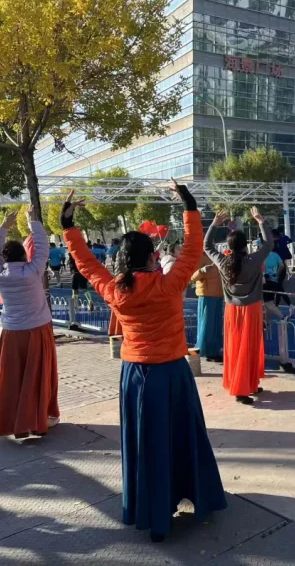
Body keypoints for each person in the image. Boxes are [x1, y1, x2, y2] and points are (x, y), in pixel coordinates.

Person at [62, 183, 227, 542]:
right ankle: (194, 495)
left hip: (136, 376)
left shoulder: (115, 290)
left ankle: (153, 513)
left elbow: (86, 264)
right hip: (173, 372)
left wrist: (69, 228)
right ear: (153, 256)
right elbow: (194, 248)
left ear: (122, 259)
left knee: (146, 443)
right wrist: (189, 205)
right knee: (182, 436)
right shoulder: (170, 284)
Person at [0, 206, 59, 438]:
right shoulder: (33, 271)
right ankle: (39, 419)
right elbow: (43, 247)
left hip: (11, 333)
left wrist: (4, 227)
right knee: (39, 377)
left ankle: (13, 422)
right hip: (38, 331)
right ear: (24, 256)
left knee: (13, 379)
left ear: (4, 258)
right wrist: (32, 222)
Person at [205, 207, 271, 405]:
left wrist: (214, 224)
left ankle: (246, 384)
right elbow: (268, 244)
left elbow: (207, 246)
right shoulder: (253, 259)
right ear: (245, 245)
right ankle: (243, 388)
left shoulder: (223, 261)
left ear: (229, 245)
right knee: (249, 347)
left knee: (236, 348)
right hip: (252, 309)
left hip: (232, 310)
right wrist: (260, 221)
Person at [191, 253, 224, 362]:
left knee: (216, 326)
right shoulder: (199, 258)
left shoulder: (217, 256)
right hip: (206, 295)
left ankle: (213, 352)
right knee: (205, 326)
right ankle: (194, 354)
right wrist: (201, 271)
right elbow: (191, 277)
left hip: (218, 296)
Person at [262, 248, 287, 323]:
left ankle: (282, 317)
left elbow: (261, 271)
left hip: (265, 282)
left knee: (268, 303)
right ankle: (267, 322)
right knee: (268, 304)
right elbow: (282, 265)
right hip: (274, 280)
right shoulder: (275, 255)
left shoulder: (262, 257)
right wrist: (276, 273)